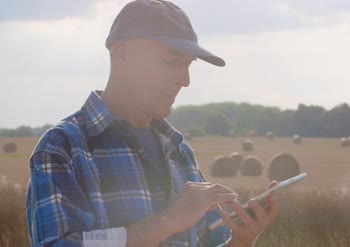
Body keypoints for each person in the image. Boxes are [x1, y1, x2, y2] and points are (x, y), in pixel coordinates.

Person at [26, 0, 279, 246]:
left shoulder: (180, 151)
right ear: (123, 54)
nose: (185, 80)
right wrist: (169, 220)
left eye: (189, 64)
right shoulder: (63, 147)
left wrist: (242, 240)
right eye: (171, 61)